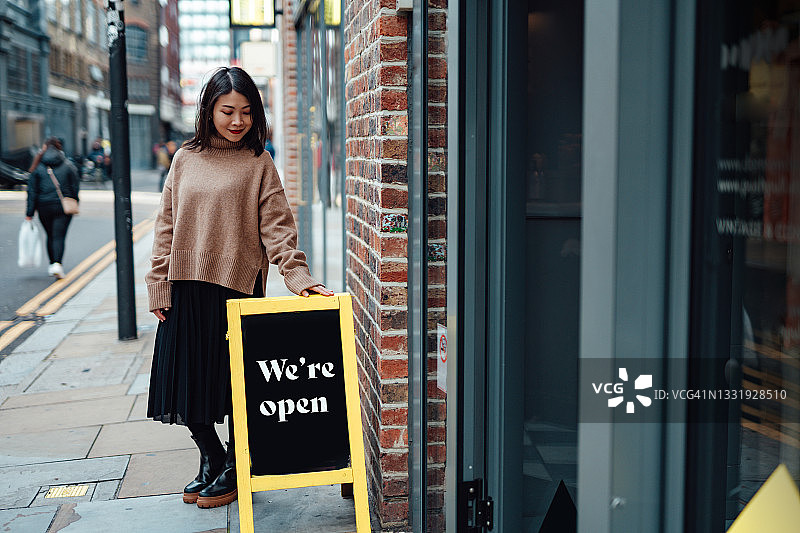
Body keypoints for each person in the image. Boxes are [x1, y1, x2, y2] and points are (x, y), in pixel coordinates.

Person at [145, 66, 334, 509]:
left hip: (235, 292)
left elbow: (278, 228)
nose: (237, 121)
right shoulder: (185, 158)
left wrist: (299, 280)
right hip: (185, 287)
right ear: (208, 108)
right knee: (186, 384)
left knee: (233, 388)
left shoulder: (258, 162)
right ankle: (214, 457)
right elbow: (165, 226)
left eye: (246, 112)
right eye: (227, 110)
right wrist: (157, 283)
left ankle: (232, 465)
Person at [25, 137, 80, 279]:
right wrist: (75, 200)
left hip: (43, 207)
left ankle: (52, 264)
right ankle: (57, 264)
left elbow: (32, 191)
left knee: (50, 235)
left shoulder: (38, 166)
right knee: (59, 236)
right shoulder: (68, 165)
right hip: (63, 206)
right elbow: (75, 186)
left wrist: (29, 213)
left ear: (45, 148)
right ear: (59, 148)